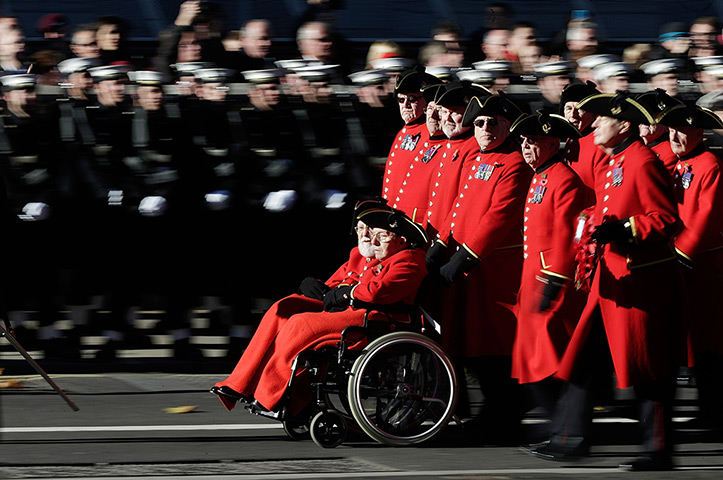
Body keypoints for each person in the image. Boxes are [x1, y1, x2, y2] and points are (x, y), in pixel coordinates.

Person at [525, 91, 685, 471]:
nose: (592, 123)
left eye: (601, 119)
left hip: (640, 282)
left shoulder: (642, 161)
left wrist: (623, 228)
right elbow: (608, 208)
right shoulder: (612, 161)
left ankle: (658, 449)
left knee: (649, 369)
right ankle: (571, 437)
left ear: (623, 125)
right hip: (610, 279)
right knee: (582, 359)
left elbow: (665, 220)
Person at [211, 204, 428, 415]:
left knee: (300, 323)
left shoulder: (409, 261)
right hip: (353, 310)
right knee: (285, 308)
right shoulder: (375, 254)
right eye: (364, 230)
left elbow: (376, 292)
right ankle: (241, 382)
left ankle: (271, 393)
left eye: (381, 234)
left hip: (378, 318)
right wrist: (318, 288)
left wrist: (346, 293)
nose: (372, 239)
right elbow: (339, 283)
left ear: (402, 240)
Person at [425, 93, 530, 443]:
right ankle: (495, 410)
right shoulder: (481, 158)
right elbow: (460, 206)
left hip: (495, 268)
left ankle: (505, 414)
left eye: (492, 123)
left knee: (495, 345)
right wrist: (442, 242)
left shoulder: (514, 163)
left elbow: (497, 218)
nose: (484, 128)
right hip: (471, 262)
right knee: (475, 344)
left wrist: (465, 255)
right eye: (480, 123)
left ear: (508, 127)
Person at [509, 112, 594, 436]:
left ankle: (568, 429)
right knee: (531, 360)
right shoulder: (541, 175)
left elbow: (565, 236)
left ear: (552, 143)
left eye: (533, 142)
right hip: (534, 279)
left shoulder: (564, 179)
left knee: (557, 360)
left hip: (551, 281)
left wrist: (555, 280)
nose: (526, 147)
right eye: (523, 142)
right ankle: (559, 427)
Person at [657, 103, 723, 439]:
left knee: (707, 342)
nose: (675, 135)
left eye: (683, 130)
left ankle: (713, 411)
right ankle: (706, 408)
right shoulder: (680, 163)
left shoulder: (708, 163)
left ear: (699, 133)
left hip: (703, 263)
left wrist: (683, 252)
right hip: (680, 257)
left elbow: (706, 214)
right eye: (671, 129)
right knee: (692, 342)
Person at [0, 73, 67, 359]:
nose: (29, 97)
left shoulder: (43, 125)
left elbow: (56, 167)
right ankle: (18, 332)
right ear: (7, 96)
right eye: (21, 92)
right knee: (13, 278)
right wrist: (16, 207)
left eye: (31, 91)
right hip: (10, 215)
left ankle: (49, 334)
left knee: (45, 276)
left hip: (42, 212)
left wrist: (44, 200)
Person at [380, 66, 440, 220]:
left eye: (412, 99)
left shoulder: (433, 133)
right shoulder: (404, 131)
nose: (405, 105)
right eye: (401, 99)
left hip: (414, 216)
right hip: (394, 212)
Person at [559, 81, 605, 191]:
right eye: (569, 109)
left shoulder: (600, 142)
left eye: (579, 109)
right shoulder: (572, 138)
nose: (573, 115)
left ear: (593, 113)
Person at [635, 89, 681, 175]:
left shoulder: (670, 151)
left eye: (652, 116)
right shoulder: (636, 145)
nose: (646, 120)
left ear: (666, 125)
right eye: (643, 115)